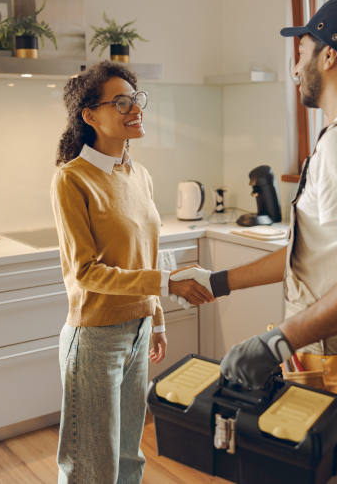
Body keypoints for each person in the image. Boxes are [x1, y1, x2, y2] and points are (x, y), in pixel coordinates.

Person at [172, 0, 337, 484]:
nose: (296, 66)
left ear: (330, 56)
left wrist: (278, 342)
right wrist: (218, 281)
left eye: (303, 50)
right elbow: (316, 255)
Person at [51, 60, 215, 484]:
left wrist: (156, 318)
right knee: (92, 464)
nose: (134, 108)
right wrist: (166, 285)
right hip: (95, 338)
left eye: (136, 99)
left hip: (139, 329)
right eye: (120, 102)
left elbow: (149, 253)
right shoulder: (73, 180)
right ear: (90, 116)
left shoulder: (139, 174)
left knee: (128, 456)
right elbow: (86, 272)